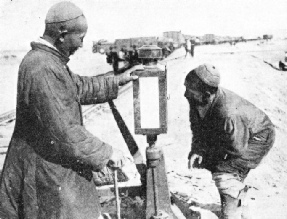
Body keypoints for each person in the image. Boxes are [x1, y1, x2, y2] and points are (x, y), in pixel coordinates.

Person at [0, 2, 142, 219]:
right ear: (62, 34)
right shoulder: (42, 67)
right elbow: (65, 132)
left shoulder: (49, 61)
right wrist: (106, 152)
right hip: (43, 175)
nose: (82, 44)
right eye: (81, 37)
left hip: (48, 168)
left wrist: (119, 80)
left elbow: (78, 86)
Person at [184, 64, 275, 219]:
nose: (185, 94)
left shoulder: (228, 112)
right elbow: (197, 125)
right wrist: (198, 149)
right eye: (186, 88)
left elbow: (236, 149)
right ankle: (237, 199)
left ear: (206, 94)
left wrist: (209, 154)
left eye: (190, 91)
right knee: (215, 164)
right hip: (235, 135)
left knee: (225, 170)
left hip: (258, 136)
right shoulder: (198, 99)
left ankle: (233, 210)